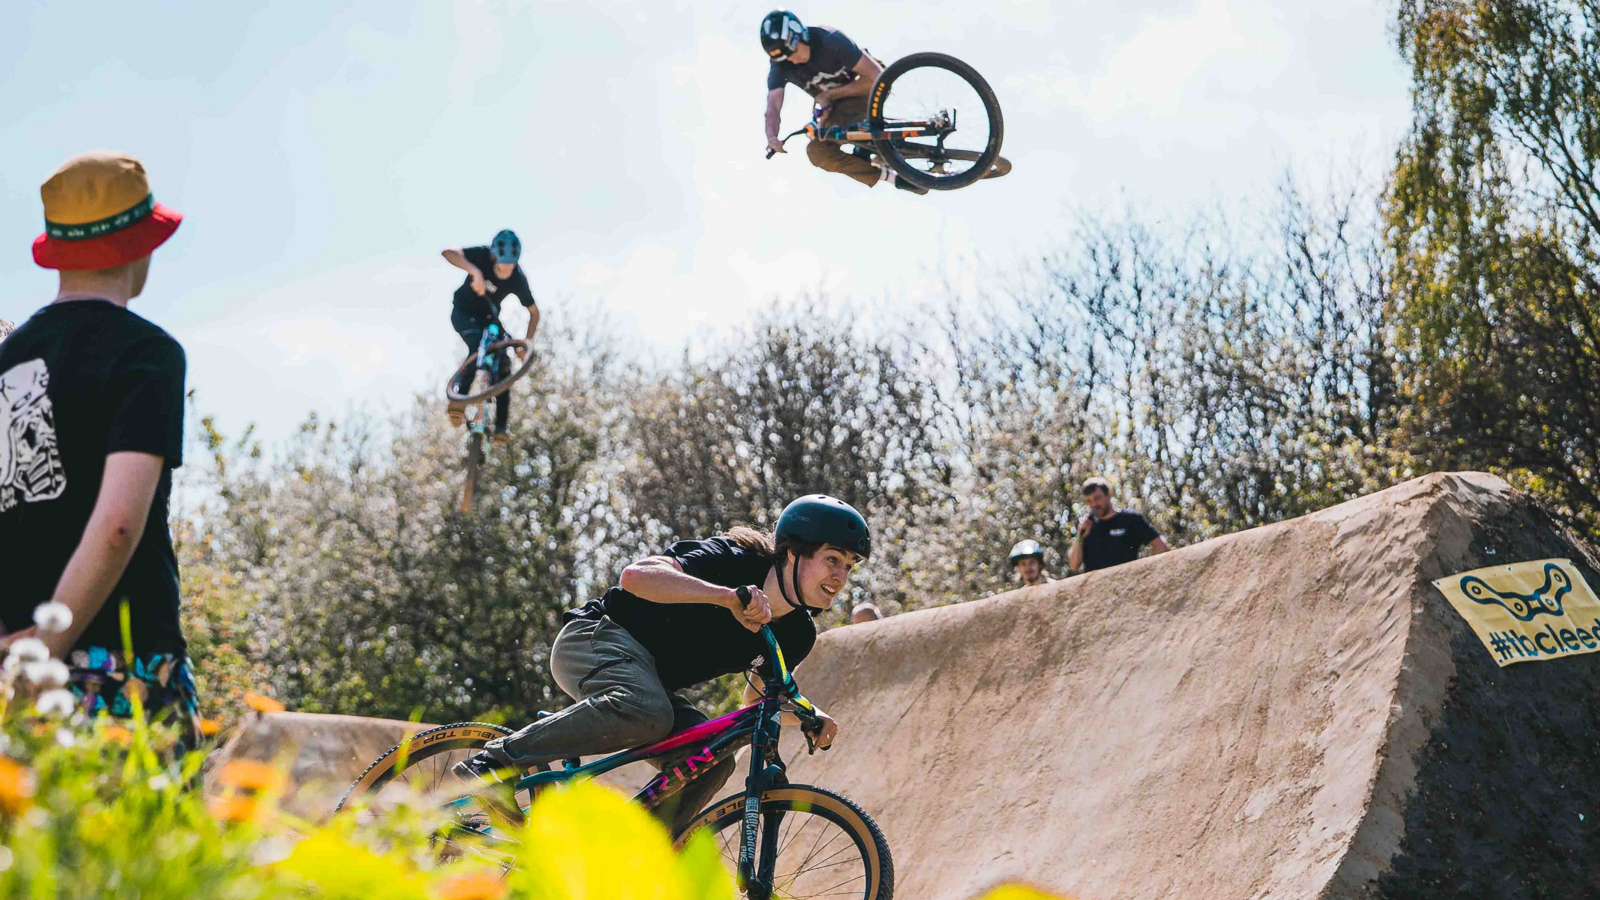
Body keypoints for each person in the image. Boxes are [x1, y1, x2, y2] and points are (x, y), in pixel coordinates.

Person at [452, 494, 870, 832]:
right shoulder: (734, 560)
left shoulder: (797, 633)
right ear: (794, 551)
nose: (840, 576)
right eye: (832, 559)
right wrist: (724, 597)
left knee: (714, 757)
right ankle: (495, 763)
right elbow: (635, 576)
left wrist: (809, 715)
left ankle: (630, 855)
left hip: (647, 684)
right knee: (647, 710)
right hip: (597, 637)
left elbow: (755, 700)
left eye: (849, 567)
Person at [0, 151, 199, 744]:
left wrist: (15, 659)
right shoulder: (147, 352)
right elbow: (117, 527)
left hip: (8, 675)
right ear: (140, 247)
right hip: (124, 668)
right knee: (144, 835)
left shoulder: (7, 362)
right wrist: (47, 652)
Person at [760, 10, 929, 195]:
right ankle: (891, 177)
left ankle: (874, 138)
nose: (792, 59)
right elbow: (773, 107)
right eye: (785, 58)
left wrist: (830, 95)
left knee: (852, 118)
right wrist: (772, 137)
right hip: (839, 106)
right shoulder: (782, 66)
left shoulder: (830, 40)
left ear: (801, 35)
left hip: (867, 85)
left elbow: (876, 77)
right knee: (818, 152)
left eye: (793, 52)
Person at [443, 230, 538, 444]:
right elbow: (448, 253)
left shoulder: (518, 278)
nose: (505, 271)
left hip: (489, 316)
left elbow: (534, 312)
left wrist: (527, 341)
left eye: (509, 266)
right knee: (477, 347)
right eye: (501, 265)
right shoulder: (482, 255)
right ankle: (459, 401)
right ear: (494, 256)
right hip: (464, 311)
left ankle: (501, 426)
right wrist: (474, 271)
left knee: (503, 361)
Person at [1069, 477, 1170, 573]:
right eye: (1089, 501)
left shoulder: (1131, 519)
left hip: (1126, 586)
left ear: (1108, 495)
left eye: (1097, 498)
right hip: (1094, 589)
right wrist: (1079, 536)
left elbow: (1161, 546)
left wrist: (1148, 573)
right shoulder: (1087, 527)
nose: (1094, 504)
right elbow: (1073, 566)